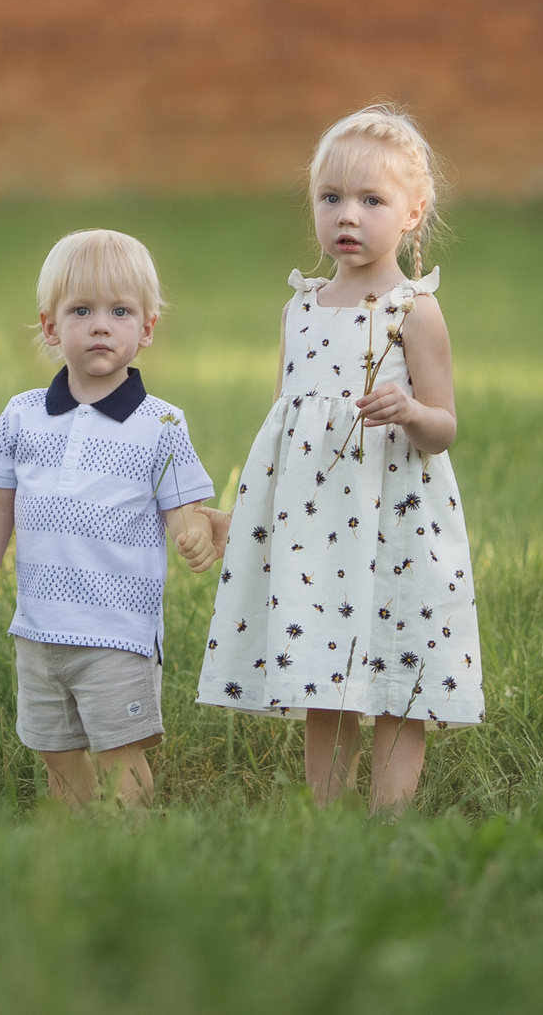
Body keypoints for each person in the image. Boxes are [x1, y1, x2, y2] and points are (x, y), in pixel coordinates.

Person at [193, 105, 483, 814]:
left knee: (398, 663)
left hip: (396, 521)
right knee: (322, 663)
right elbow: (279, 426)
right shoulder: (300, 308)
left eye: (371, 201)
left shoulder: (413, 310)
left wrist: (410, 412)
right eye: (331, 199)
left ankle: (390, 818)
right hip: (314, 525)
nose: (346, 216)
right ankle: (324, 815)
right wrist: (243, 513)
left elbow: (444, 425)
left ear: (412, 215)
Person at [0, 229, 221, 809]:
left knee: (119, 748)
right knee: (54, 748)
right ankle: (74, 839)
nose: (101, 325)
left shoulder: (161, 424)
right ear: (51, 328)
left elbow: (182, 508)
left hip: (117, 633)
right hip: (39, 627)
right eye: (82, 310)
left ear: (146, 328)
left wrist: (195, 533)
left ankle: (131, 845)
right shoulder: (22, 416)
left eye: (120, 311)